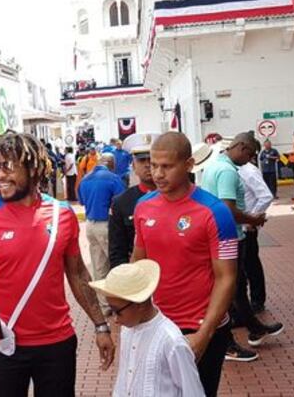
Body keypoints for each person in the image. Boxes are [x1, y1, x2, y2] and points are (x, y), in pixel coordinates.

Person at [0, 131, 114, 396]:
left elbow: (77, 273)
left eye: (8, 166)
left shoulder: (62, 214)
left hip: (56, 343)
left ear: (33, 169)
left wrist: (100, 324)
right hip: (2, 343)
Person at [131, 132, 236, 397]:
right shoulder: (143, 207)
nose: (157, 173)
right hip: (157, 326)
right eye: (154, 165)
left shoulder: (215, 212)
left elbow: (226, 278)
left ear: (188, 165)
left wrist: (204, 334)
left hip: (199, 328)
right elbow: (139, 263)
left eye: (167, 166)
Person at [201, 133, 284, 362]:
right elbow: (228, 209)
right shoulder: (227, 171)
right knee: (230, 289)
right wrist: (253, 220)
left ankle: (253, 327)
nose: (249, 160)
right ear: (240, 146)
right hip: (229, 237)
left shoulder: (214, 165)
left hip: (219, 235)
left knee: (234, 288)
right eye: (249, 154)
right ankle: (227, 341)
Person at [89, 260, 205, 397]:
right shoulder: (127, 329)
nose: (115, 319)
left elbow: (192, 391)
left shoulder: (171, 341)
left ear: (140, 305)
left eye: (118, 311)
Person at [79, 152, 126, 314]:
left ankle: (104, 306)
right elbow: (122, 204)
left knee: (98, 266)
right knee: (116, 263)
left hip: (90, 225)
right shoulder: (113, 179)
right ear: (111, 163)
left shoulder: (85, 179)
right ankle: (122, 304)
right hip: (107, 226)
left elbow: (82, 202)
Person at [109, 135, 158, 269]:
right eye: (142, 160)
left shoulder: (173, 198)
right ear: (133, 166)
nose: (148, 165)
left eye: (152, 160)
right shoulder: (122, 202)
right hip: (138, 273)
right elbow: (117, 251)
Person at [238, 142, 274, 313]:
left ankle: (258, 300)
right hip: (239, 226)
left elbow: (265, 196)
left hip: (247, 227)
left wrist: (251, 218)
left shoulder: (248, 171)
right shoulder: (235, 170)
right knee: (244, 265)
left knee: (251, 263)